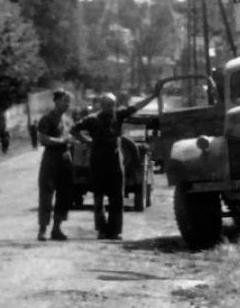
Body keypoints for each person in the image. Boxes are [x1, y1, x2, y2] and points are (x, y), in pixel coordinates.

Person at [72, 90, 158, 240]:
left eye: (112, 105)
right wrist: (87, 141)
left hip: (116, 164)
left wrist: (153, 96)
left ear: (115, 105)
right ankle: (101, 230)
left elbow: (136, 107)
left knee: (117, 198)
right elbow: (74, 129)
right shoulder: (92, 120)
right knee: (98, 199)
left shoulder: (118, 116)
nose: (110, 108)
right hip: (98, 164)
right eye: (106, 105)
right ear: (101, 105)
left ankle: (115, 231)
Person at [37, 90, 76, 241]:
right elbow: (43, 139)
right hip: (51, 159)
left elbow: (71, 135)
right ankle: (43, 229)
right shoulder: (47, 119)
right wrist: (61, 141)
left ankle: (57, 228)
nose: (67, 104)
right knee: (46, 194)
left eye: (69, 101)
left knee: (64, 195)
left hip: (66, 159)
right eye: (65, 101)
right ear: (56, 101)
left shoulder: (67, 119)